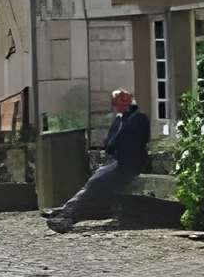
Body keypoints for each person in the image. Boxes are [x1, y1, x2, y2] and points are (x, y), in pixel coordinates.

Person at [46, 88, 152, 232]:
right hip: (120, 162)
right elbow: (109, 142)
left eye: (117, 103)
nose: (114, 107)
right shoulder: (121, 119)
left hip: (131, 164)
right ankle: (66, 211)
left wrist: (115, 143)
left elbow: (125, 140)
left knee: (97, 183)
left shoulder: (138, 118)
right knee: (95, 182)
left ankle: (67, 214)